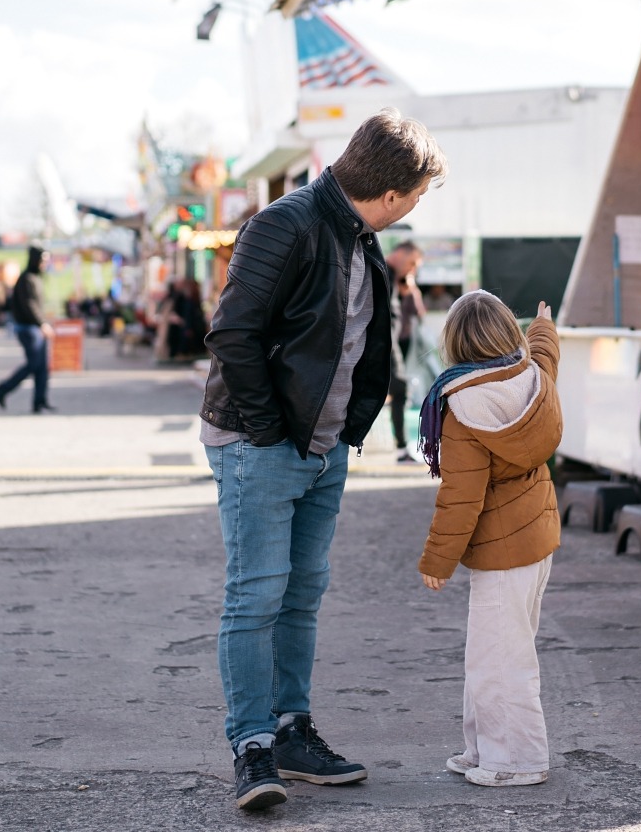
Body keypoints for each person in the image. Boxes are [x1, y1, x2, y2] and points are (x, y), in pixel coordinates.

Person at [199, 108, 447, 811]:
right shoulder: (286, 223)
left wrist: (341, 437)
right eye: (420, 196)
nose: (416, 210)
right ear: (395, 193)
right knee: (255, 595)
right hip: (262, 445)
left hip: (324, 447)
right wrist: (273, 432)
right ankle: (252, 747)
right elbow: (232, 335)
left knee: (302, 593)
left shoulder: (357, 234)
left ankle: (290, 731)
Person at [417, 294, 563, 789]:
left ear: (455, 343)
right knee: (497, 652)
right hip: (536, 537)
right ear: (508, 335)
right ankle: (483, 747)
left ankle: (516, 760)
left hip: (502, 549)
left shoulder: (463, 409)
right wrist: (543, 326)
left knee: (501, 659)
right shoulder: (532, 379)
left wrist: (439, 559)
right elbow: (545, 354)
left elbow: (461, 499)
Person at [0, 245, 54, 414]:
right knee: (34, 364)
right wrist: (42, 323)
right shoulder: (26, 279)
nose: (45, 264)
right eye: (43, 260)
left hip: (35, 328)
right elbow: (30, 306)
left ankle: (39, 401)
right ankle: (3, 388)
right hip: (28, 328)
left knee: (42, 367)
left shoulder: (35, 278)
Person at [384, 241, 425, 461]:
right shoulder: (384, 270)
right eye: (411, 263)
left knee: (398, 390)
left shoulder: (393, 276)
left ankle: (401, 447)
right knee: (400, 389)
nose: (412, 269)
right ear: (399, 254)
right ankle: (400, 448)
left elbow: (419, 313)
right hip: (385, 343)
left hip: (391, 342)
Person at [166, 277, 207, 360]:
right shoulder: (185, 299)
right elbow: (188, 315)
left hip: (190, 326)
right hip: (188, 326)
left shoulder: (186, 298)